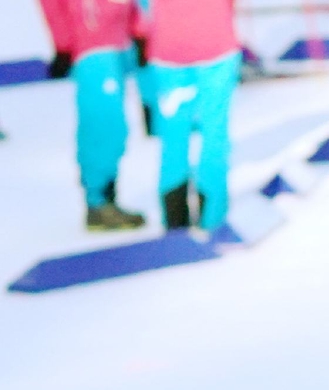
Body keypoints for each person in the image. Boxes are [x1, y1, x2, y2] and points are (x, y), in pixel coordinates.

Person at [37, 0, 148, 230]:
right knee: (102, 126)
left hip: (117, 43)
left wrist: (138, 29)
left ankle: (105, 198)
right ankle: (98, 202)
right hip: (93, 47)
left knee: (115, 127)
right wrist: (64, 44)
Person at [137, 0, 237, 231]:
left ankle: (175, 220)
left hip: (168, 50)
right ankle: (212, 219)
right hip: (215, 45)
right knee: (214, 132)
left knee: (173, 136)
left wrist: (143, 30)